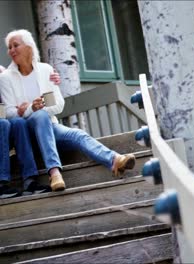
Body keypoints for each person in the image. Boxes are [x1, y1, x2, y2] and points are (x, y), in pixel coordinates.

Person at [0, 29, 135, 192]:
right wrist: (33, 107)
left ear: (28, 46)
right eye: (9, 47)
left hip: (48, 127)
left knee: (76, 134)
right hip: (26, 136)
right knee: (40, 114)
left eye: (16, 45)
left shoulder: (45, 71)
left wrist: (27, 108)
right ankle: (54, 171)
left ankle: (114, 159)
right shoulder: (6, 78)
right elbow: (10, 113)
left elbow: (58, 105)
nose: (11, 50)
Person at [0, 64, 61, 198]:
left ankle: (30, 181)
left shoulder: (4, 74)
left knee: (19, 122)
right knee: (3, 124)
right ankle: (1, 183)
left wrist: (52, 77)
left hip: (6, 131)